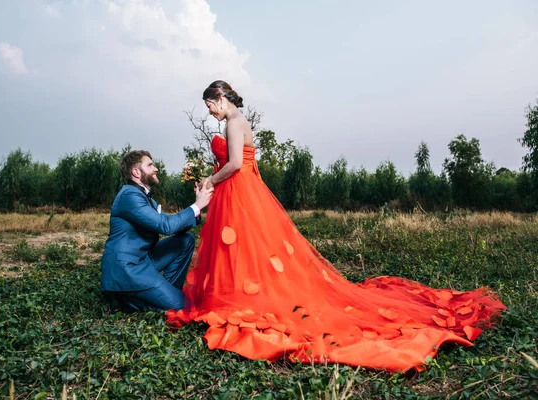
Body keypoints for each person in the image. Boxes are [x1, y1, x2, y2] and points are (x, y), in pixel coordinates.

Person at [166, 80, 506, 372]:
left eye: (211, 105)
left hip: (238, 190)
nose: (211, 112)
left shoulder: (233, 122)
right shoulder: (240, 120)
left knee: (242, 246)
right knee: (247, 247)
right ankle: (241, 291)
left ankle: (240, 295)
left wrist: (211, 178)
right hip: (242, 190)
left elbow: (237, 163)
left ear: (221, 98)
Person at [101, 150, 213, 311]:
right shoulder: (129, 195)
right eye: (150, 165)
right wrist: (197, 206)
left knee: (185, 240)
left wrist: (197, 205)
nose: (156, 169)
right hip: (128, 269)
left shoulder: (147, 198)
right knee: (185, 308)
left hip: (143, 261)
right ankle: (126, 300)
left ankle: (165, 292)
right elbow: (165, 226)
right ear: (136, 172)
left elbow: (173, 224)